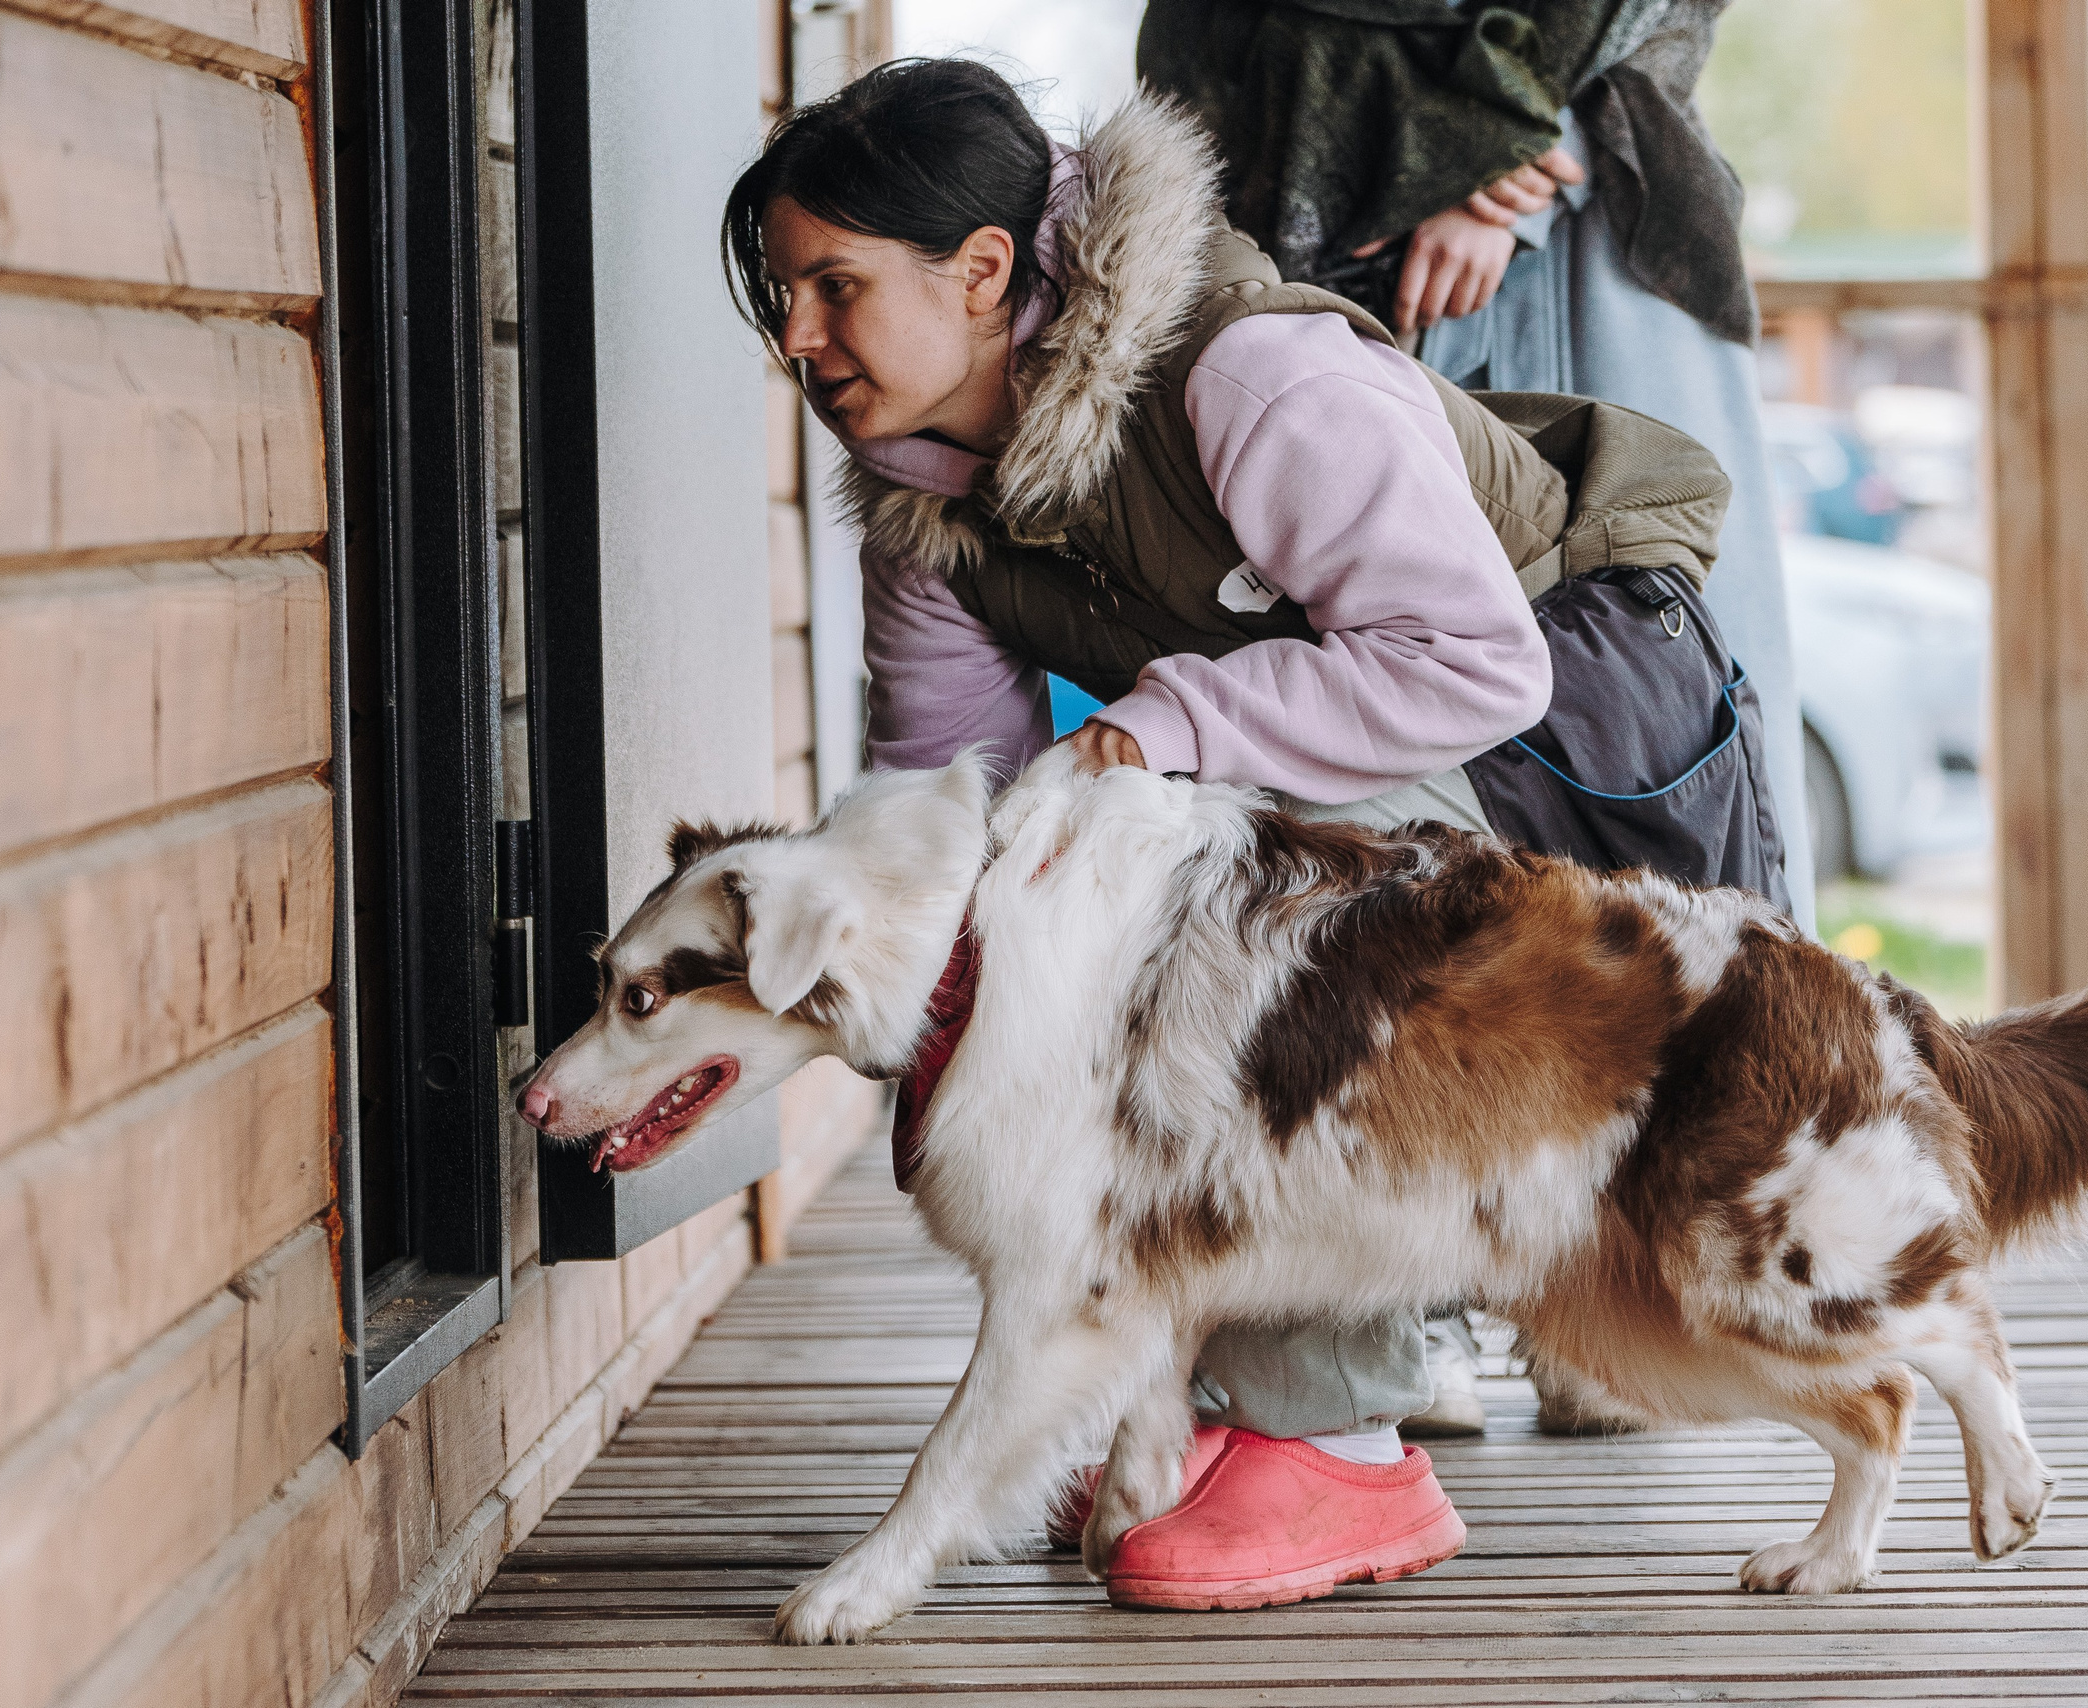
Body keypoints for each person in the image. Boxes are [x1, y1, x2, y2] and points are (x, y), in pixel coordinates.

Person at [720, 55, 1686, 1610]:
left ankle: (1337, 1445)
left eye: (835, 287)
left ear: (981, 273)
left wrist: (1162, 726)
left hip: (1570, 748)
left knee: (1244, 877)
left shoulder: (1248, 376)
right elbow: (958, 819)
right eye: (785, 296)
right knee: (1084, 897)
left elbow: (1476, 662)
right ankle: (1161, 1388)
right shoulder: (923, 502)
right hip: (1367, 785)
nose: (798, 337)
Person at [1141, 0, 1812, 1435]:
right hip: (1320, 210)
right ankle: (1396, 1286)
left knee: (1639, 719)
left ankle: (1628, 1284)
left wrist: (1506, 139)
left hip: (1577, 208)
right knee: (1372, 751)